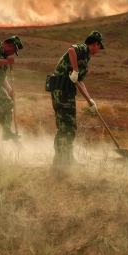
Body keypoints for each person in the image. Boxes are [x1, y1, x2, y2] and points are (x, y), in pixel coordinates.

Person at [46, 31, 105, 166]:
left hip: (66, 92)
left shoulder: (86, 58)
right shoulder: (83, 48)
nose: (98, 50)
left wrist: (90, 100)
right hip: (61, 91)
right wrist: (75, 70)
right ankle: (65, 160)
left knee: (65, 126)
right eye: (99, 47)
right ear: (95, 44)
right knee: (68, 126)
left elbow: (80, 81)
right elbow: (71, 50)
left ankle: (61, 160)